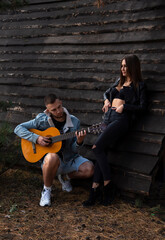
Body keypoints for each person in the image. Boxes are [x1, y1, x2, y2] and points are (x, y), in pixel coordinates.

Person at [83, 54, 147, 207]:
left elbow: (143, 108)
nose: (123, 69)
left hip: (121, 120)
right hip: (108, 118)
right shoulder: (119, 81)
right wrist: (106, 100)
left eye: (126, 66)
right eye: (122, 66)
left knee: (97, 148)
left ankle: (108, 185)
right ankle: (94, 190)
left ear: (133, 67)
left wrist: (125, 106)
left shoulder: (140, 85)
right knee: (102, 151)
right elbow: (107, 92)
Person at [14, 94, 94, 207]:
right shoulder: (41, 120)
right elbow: (18, 128)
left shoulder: (74, 121)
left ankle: (65, 177)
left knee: (89, 169)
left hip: (69, 158)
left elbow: (73, 149)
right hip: (50, 162)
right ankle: (46, 190)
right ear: (48, 110)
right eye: (54, 110)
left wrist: (79, 142)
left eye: (59, 107)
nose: (58, 111)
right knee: (52, 156)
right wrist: (37, 138)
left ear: (61, 102)